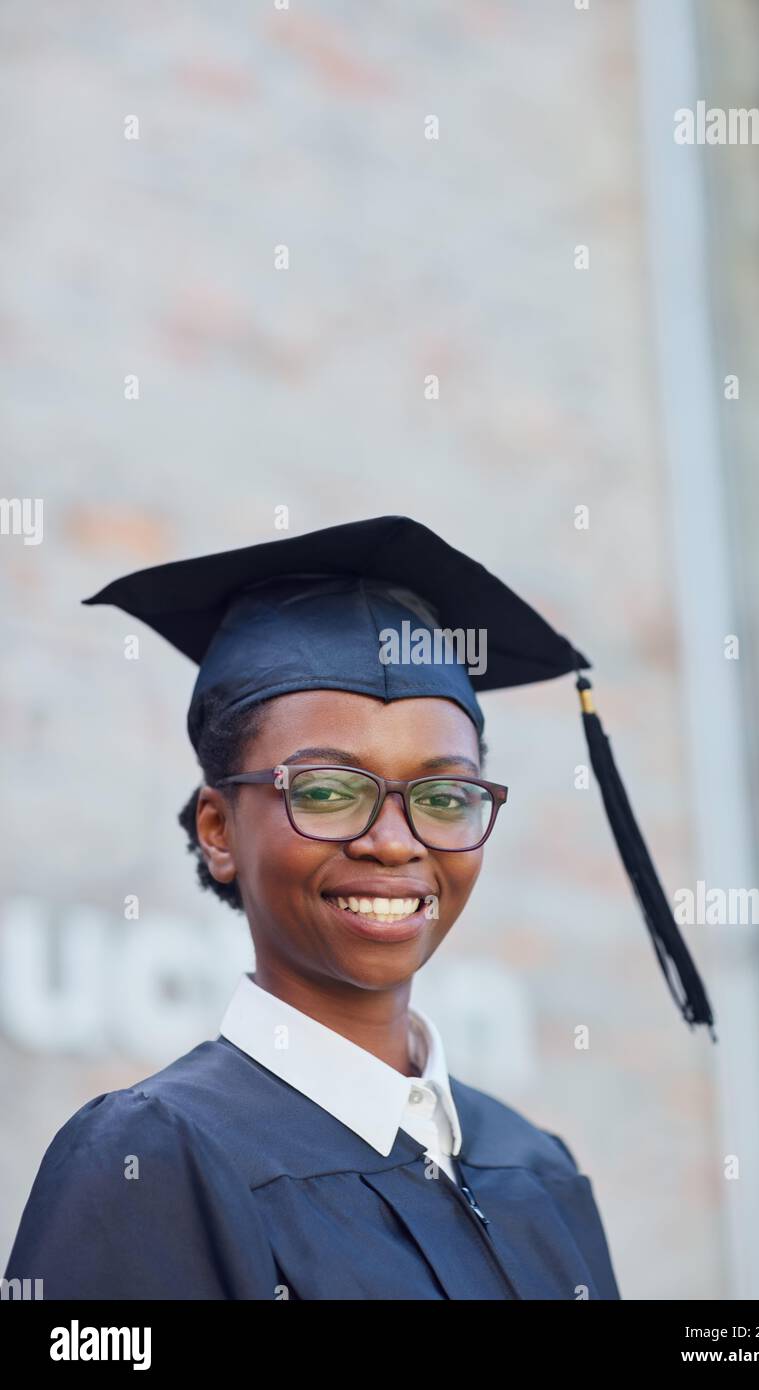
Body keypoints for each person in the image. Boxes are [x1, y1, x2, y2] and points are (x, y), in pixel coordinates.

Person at [4, 514, 713, 1300]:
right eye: (328, 790)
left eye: (444, 794)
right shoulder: (151, 1159)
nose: (393, 841)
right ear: (218, 829)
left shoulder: (536, 1168)